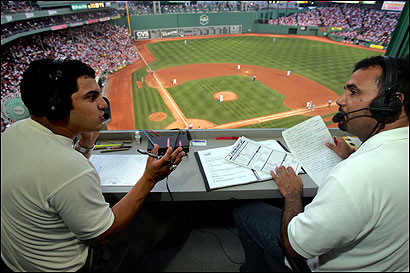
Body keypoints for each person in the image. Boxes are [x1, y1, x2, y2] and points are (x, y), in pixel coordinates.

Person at [1, 58, 192, 272]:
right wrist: (149, 179)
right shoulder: (68, 167)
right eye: (91, 97)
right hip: (73, 267)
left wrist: (86, 145)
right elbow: (103, 234)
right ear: (57, 108)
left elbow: (54, 180)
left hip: (20, 261)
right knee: (165, 216)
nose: (103, 104)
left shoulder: (12, 132)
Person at [233, 55, 409, 271]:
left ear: (391, 103)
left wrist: (292, 195)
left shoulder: (356, 175)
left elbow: (293, 247)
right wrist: (352, 155)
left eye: (354, 92)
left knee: (246, 212)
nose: (340, 100)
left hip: (319, 262)